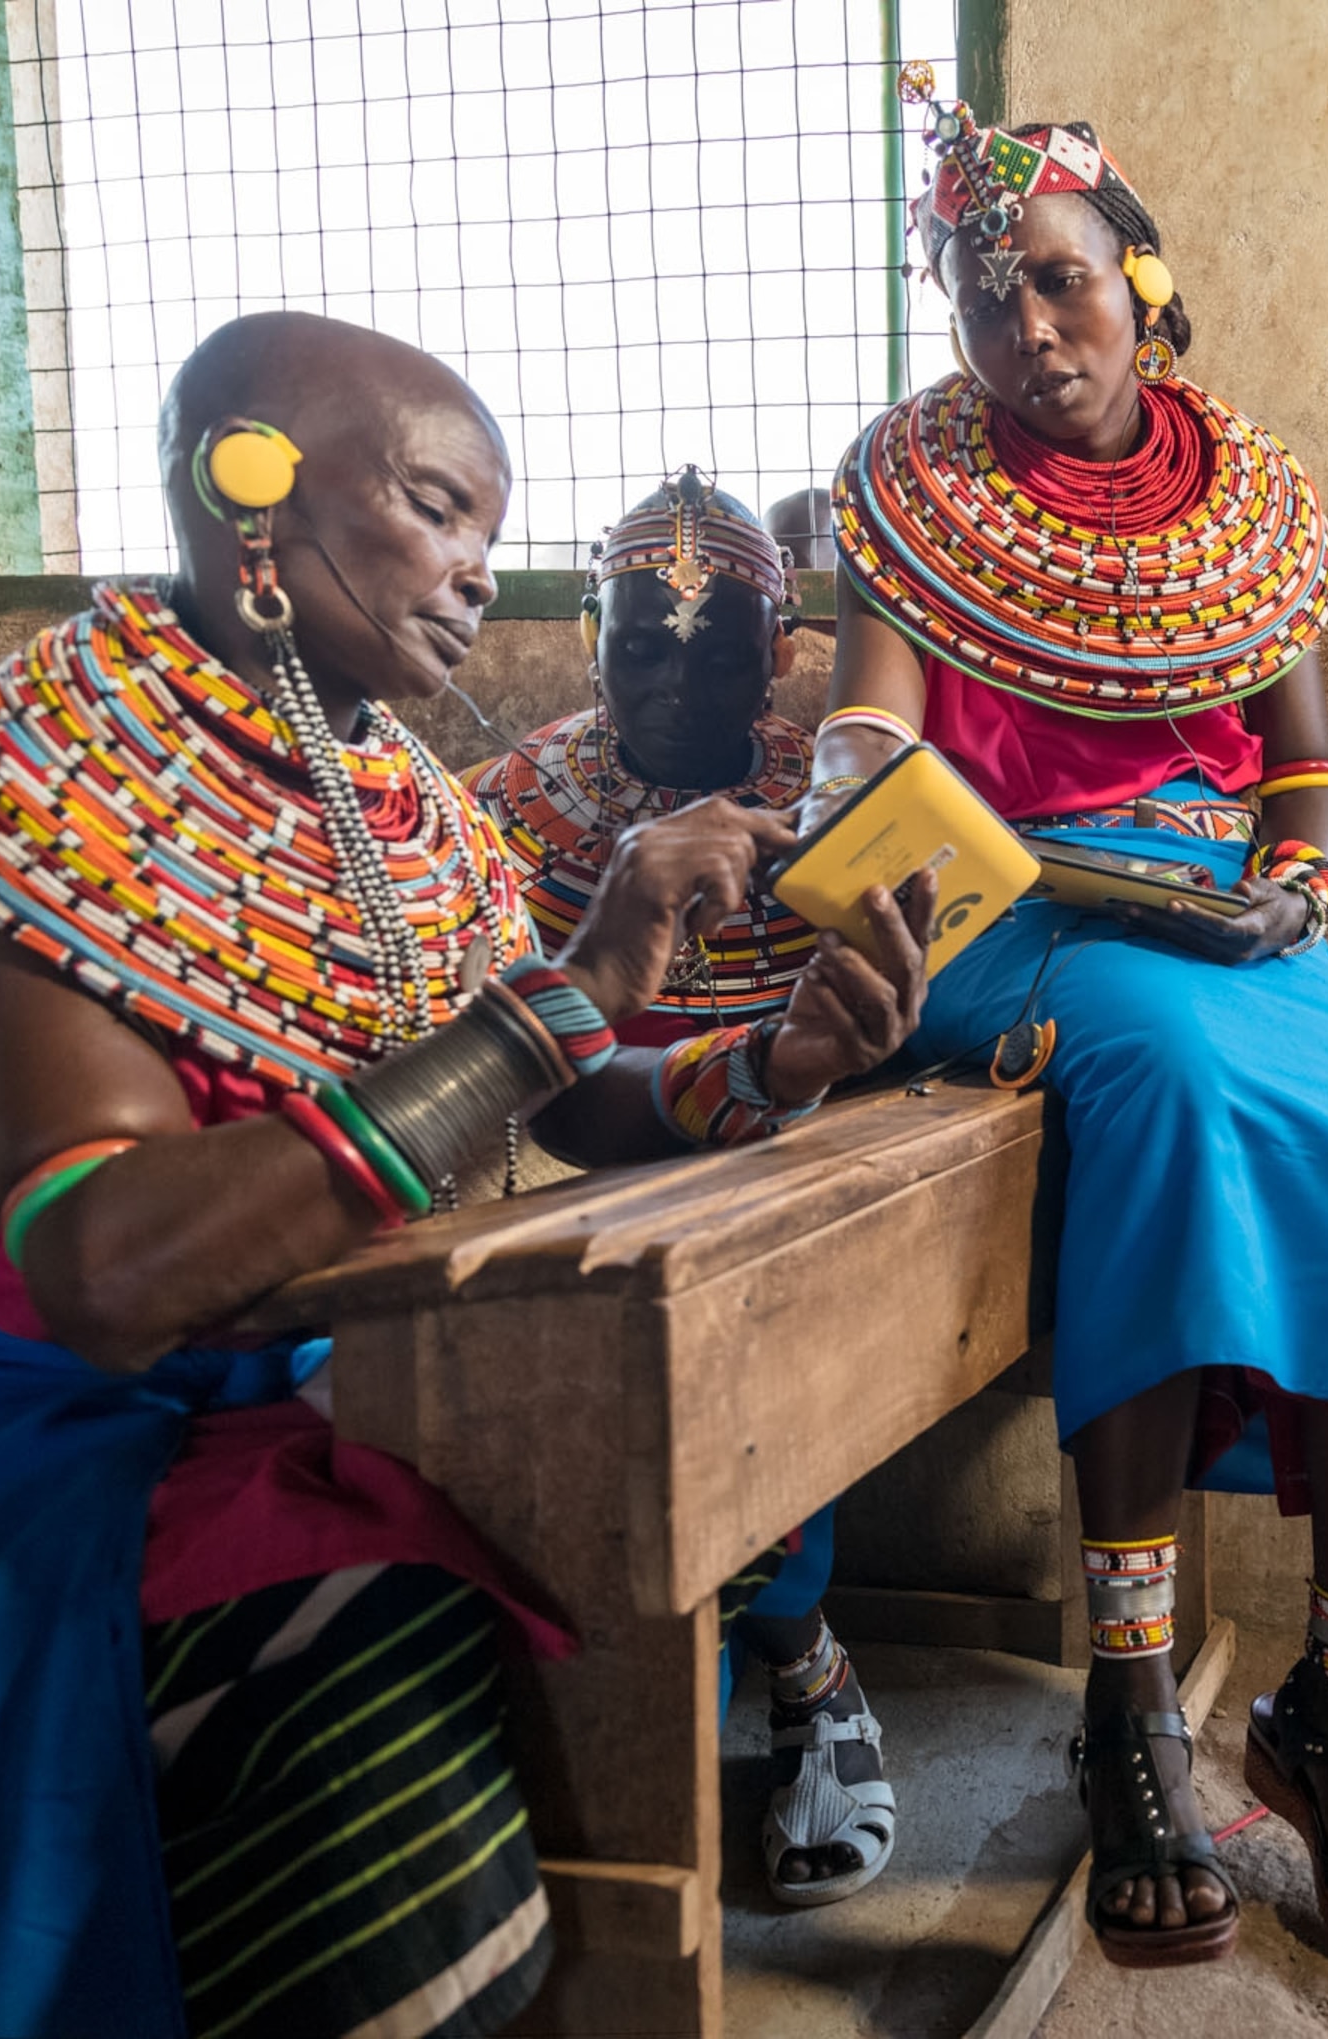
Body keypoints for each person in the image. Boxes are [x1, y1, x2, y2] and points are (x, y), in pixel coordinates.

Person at [0, 312, 934, 2038]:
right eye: (438, 508)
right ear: (252, 490)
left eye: (488, 534)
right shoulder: (45, 777)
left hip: (242, 1362)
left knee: (655, 1500)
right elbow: (106, 1267)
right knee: (361, 1649)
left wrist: (767, 1062)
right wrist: (573, 989)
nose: (473, 575)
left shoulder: (405, 808)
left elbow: (548, 1083)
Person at [811, 78, 1328, 1971]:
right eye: (981, 298)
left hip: (1231, 918)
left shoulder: (1248, 497)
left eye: (1058, 283)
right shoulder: (910, 487)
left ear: (1140, 282)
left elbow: (1308, 768)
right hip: (1003, 905)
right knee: (1174, 1093)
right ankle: (1125, 1706)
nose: (1026, 329)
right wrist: (852, 775)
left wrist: (1306, 893)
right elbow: (870, 736)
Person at [470, 467, 897, 1907]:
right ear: (589, 634)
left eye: (720, 650)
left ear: (777, 654)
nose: (674, 680)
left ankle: (782, 1654)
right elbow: (511, 1087)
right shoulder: (507, 806)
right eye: (640, 643)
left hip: (790, 1168)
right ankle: (793, 1658)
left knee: (751, 1313)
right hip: (562, 1176)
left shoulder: (836, 801)